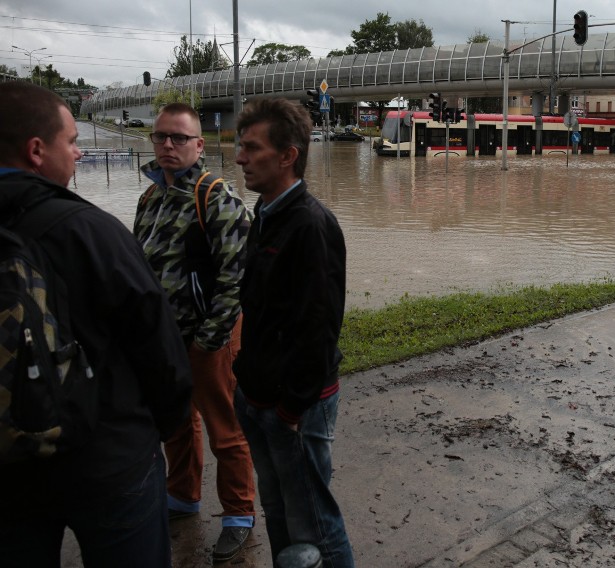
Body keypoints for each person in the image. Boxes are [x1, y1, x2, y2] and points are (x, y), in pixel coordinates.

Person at [0, 83, 192, 566]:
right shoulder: (90, 230)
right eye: (70, 142)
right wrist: (162, 428)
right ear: (37, 151)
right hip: (109, 457)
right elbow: (158, 344)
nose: (79, 150)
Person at [232, 98, 355, 567]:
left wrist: (290, 409)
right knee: (279, 510)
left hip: (293, 409)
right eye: (241, 147)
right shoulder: (264, 213)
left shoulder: (310, 225)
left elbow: (318, 330)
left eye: (251, 148)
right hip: (260, 397)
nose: (240, 158)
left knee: (316, 526)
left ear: (288, 155)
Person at [134, 103, 256, 562]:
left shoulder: (216, 195)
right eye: (161, 136)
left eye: (179, 138)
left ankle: (239, 514)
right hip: (164, 339)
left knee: (226, 429)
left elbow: (237, 276)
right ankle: (183, 497)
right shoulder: (151, 197)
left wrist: (211, 339)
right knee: (178, 422)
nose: (168, 144)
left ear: (200, 146)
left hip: (210, 338)